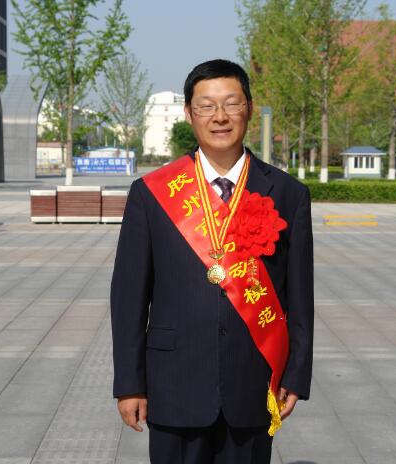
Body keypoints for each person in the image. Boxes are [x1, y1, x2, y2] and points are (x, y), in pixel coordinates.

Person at [111, 59, 314, 464]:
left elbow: (300, 295)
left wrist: (295, 374)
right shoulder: (151, 193)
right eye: (206, 106)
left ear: (249, 109)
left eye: (231, 103)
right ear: (189, 113)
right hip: (174, 381)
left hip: (253, 380)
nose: (220, 116)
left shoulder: (287, 193)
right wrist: (129, 383)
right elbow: (129, 296)